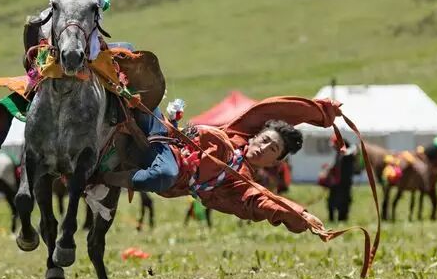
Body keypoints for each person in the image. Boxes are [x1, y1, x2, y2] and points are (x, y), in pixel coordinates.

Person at [97, 97, 347, 235]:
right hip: (161, 133)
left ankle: (104, 177)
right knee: (138, 86)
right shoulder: (237, 133)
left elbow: (263, 202)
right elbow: (271, 110)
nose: (263, 147)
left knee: (162, 176)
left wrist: (300, 216)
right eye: (264, 140)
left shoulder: (241, 183)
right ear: (256, 136)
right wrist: (323, 112)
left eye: (272, 149)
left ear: (273, 162)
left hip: (167, 169)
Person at [318, 134, 355, 222]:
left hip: (344, 184)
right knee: (331, 203)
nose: (333, 148)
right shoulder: (339, 154)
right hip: (336, 183)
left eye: (335, 145)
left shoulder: (348, 153)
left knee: (343, 203)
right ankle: (332, 220)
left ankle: (342, 220)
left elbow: (350, 152)